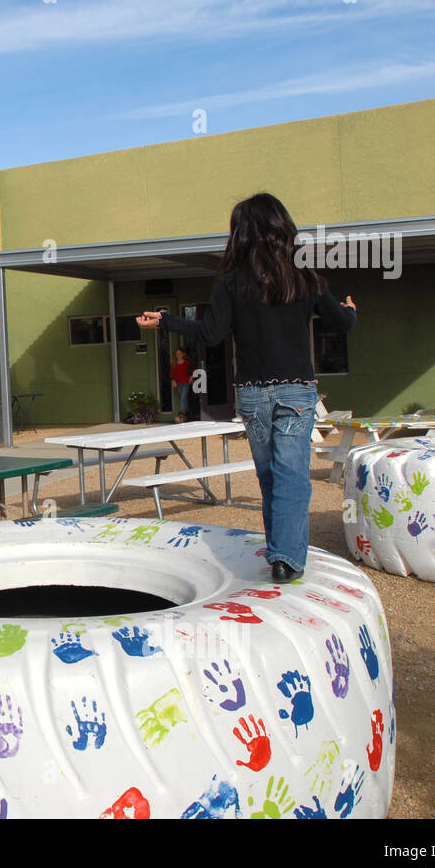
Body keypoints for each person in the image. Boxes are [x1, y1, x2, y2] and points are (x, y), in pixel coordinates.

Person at [137, 192, 357, 582]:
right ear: (282, 228)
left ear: (240, 234)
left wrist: (166, 321)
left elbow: (210, 333)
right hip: (295, 393)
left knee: (271, 475)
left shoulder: (231, 283)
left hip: (253, 394)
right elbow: (339, 323)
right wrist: (352, 312)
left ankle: (281, 556)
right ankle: (286, 558)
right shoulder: (305, 276)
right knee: (291, 476)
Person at [171, 347, 193, 422]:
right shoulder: (174, 363)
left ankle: (180, 415)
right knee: (183, 399)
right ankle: (187, 414)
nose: (178, 355)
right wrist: (173, 381)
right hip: (178, 384)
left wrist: (191, 377)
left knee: (183, 398)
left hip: (186, 383)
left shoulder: (187, 362)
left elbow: (193, 369)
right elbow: (171, 373)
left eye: (179, 353)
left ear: (183, 354)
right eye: (177, 354)